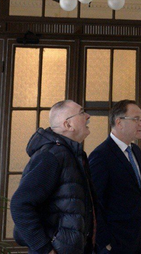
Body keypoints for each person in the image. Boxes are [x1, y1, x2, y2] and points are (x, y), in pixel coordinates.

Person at [11, 100, 95, 254]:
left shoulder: (74, 155)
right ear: (68, 125)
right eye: (82, 112)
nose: (88, 116)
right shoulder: (52, 156)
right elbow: (20, 204)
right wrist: (45, 249)